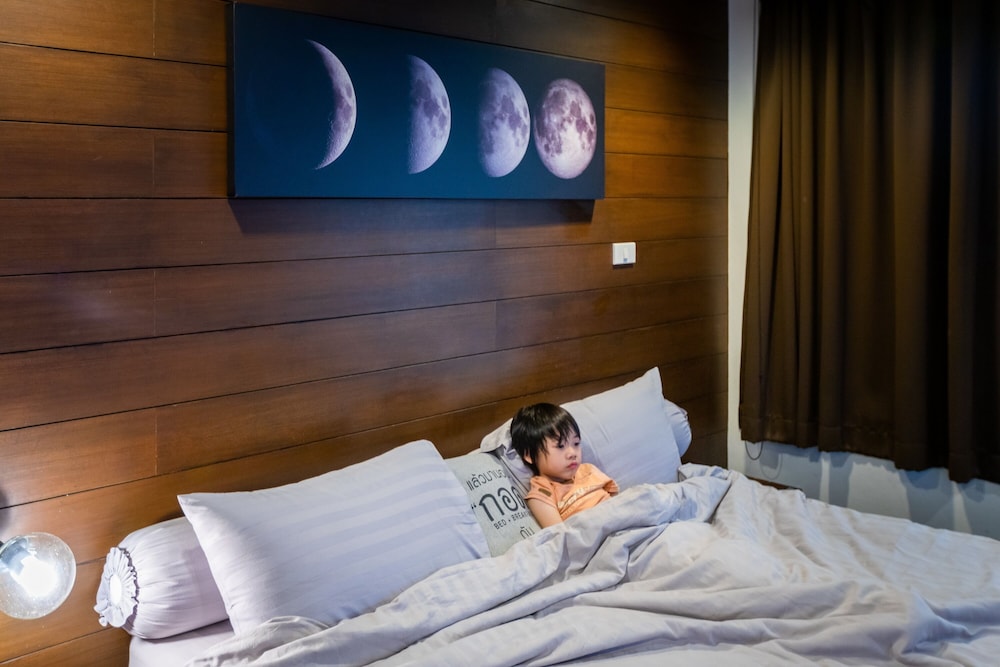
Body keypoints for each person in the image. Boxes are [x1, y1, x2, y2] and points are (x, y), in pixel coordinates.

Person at [510, 403, 618, 528]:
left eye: (576, 443)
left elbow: (618, 501)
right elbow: (561, 535)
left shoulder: (588, 470)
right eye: (560, 446)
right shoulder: (542, 494)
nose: (572, 453)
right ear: (529, 455)